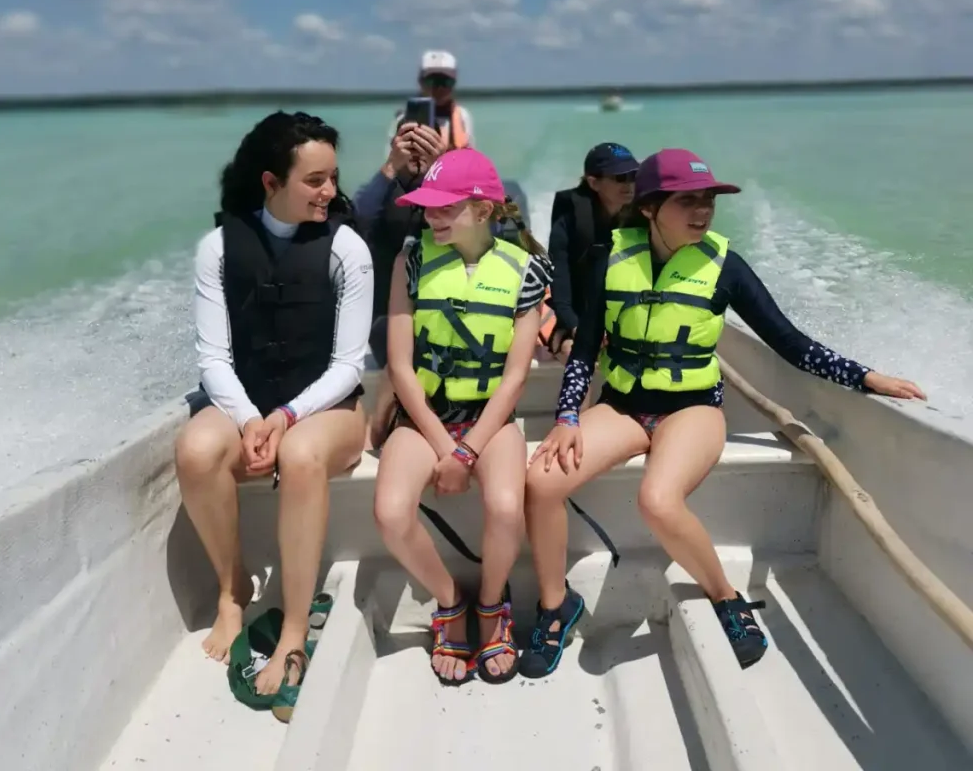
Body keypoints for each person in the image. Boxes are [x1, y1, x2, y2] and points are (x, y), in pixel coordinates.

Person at [520, 148, 926, 678]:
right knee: (542, 481)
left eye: (708, 199)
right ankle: (556, 606)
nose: (703, 211)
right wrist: (568, 417)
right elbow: (585, 348)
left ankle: (725, 597)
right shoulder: (609, 258)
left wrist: (865, 376)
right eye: (687, 200)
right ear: (649, 207)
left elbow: (788, 341)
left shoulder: (723, 264)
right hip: (621, 406)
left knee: (658, 501)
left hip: (692, 410)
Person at [174, 111, 374, 715]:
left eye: (333, 177)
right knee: (196, 451)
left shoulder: (347, 248)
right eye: (314, 180)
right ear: (270, 182)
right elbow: (212, 356)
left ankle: (292, 631)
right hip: (247, 399)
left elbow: (348, 365)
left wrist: (283, 417)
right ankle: (232, 593)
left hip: (327, 407)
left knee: (301, 453)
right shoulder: (217, 248)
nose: (330, 192)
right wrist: (246, 416)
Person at [373, 148, 553, 686]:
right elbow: (401, 367)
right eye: (426, 208)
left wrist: (468, 449)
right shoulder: (413, 259)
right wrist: (443, 445)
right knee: (389, 513)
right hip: (424, 415)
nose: (431, 217)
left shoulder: (525, 272)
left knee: (504, 504)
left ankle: (491, 607)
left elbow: (517, 376)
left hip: (490, 419)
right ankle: (449, 603)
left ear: (482, 209)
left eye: (444, 208)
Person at [354, 117, 446, 445]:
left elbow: (482, 225)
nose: (418, 149)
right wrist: (392, 166)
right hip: (388, 320)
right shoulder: (383, 194)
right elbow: (355, 220)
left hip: (444, 315)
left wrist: (442, 167)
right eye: (409, 140)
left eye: (427, 140)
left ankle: (391, 415)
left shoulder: (449, 194)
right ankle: (396, 415)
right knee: (393, 334)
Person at [546, 142, 640, 358]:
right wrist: (573, 324)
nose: (629, 185)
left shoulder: (640, 217)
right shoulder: (571, 219)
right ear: (594, 182)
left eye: (633, 175)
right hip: (579, 313)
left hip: (625, 316)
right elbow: (560, 275)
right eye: (620, 178)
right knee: (576, 352)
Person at [391, 50, 475, 149]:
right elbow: (391, 161)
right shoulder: (403, 120)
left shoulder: (463, 117)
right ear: (420, 82)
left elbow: (472, 159)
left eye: (446, 82)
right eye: (432, 81)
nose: (439, 88)